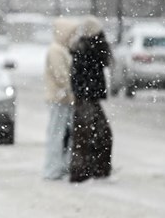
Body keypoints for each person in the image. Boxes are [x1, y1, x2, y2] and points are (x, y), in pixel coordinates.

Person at [69, 15, 113, 183]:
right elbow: (84, 75)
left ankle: (88, 170)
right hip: (87, 98)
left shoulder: (87, 48)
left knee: (89, 135)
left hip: (87, 97)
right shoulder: (89, 49)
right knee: (88, 135)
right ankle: (87, 171)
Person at [43, 17, 79, 181]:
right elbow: (61, 76)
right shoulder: (56, 50)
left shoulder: (61, 49)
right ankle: (53, 169)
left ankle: (60, 167)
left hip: (64, 98)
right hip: (61, 99)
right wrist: (71, 90)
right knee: (57, 135)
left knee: (63, 134)